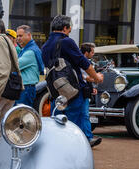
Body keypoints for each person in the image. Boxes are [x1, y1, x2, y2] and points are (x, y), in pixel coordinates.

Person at [42, 15, 103, 147]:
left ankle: (57, 148)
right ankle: (72, 150)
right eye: (69, 29)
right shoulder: (67, 41)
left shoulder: (46, 45)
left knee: (56, 122)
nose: (69, 32)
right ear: (65, 28)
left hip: (55, 91)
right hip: (72, 90)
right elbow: (83, 62)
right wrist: (96, 77)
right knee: (72, 125)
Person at [15, 25, 45, 107]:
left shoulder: (30, 52)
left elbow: (14, 66)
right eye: (17, 36)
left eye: (20, 36)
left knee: (21, 116)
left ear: (29, 35)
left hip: (26, 89)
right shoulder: (27, 49)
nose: (18, 38)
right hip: (25, 88)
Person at [80, 42, 102, 147]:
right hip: (81, 92)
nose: (93, 54)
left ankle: (85, 138)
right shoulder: (83, 62)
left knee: (83, 115)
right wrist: (98, 77)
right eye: (92, 52)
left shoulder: (83, 60)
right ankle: (88, 138)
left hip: (84, 90)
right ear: (86, 52)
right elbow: (87, 77)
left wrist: (92, 87)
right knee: (84, 115)